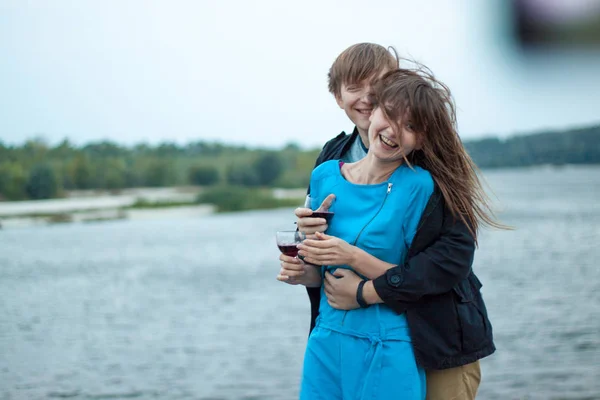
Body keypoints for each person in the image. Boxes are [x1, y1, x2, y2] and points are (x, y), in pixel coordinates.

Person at [278, 44, 496, 400]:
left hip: (436, 336)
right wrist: (305, 241)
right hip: (344, 336)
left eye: (375, 86)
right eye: (353, 87)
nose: (365, 97)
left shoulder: (431, 165)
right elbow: (318, 245)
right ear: (337, 96)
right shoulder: (330, 160)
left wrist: (364, 292)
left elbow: (452, 257)